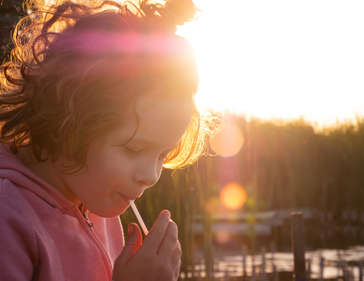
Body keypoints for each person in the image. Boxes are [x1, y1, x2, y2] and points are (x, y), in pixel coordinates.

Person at [0, 0, 208, 280]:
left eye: (162, 154)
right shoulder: (9, 220)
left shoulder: (97, 205)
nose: (151, 175)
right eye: (134, 148)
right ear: (69, 123)